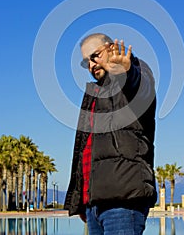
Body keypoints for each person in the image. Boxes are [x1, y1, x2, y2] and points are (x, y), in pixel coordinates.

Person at [64, 33, 157, 235]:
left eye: (94, 55)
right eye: (85, 61)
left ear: (111, 48)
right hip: (94, 205)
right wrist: (82, 200)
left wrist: (127, 70)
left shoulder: (136, 76)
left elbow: (142, 88)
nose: (91, 64)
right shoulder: (93, 94)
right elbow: (85, 150)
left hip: (123, 203)